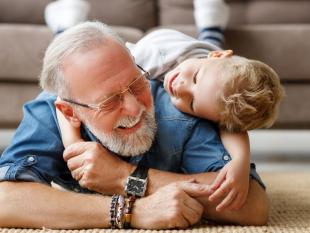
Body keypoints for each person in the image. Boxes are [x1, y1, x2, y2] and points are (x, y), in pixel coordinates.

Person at [0, 21, 269, 229]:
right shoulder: (48, 112)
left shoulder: (181, 103)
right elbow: (5, 200)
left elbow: (252, 206)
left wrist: (124, 178)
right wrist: (131, 211)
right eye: (109, 101)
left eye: (136, 83)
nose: (134, 107)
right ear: (70, 112)